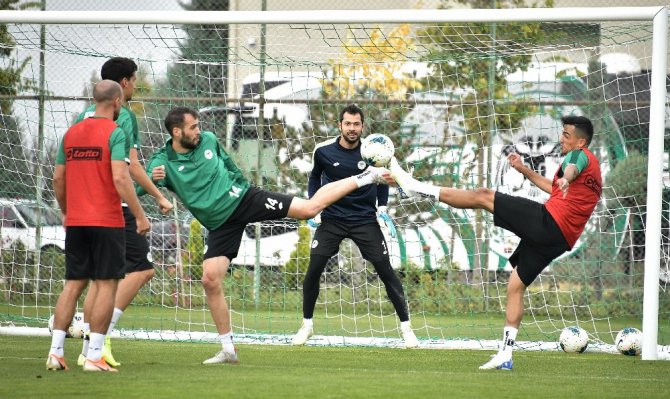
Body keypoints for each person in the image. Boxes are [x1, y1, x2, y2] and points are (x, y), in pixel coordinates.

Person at [142, 106, 391, 364]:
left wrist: (240, 184)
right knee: (210, 279)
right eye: (193, 127)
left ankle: (366, 176)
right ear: (176, 131)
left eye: (198, 125)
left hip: (245, 200)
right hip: (220, 224)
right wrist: (153, 182)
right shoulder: (162, 162)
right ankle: (228, 350)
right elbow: (137, 183)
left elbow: (227, 163)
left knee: (308, 208)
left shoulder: (208, 140)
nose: (199, 130)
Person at [387, 115, 601, 370]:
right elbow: (554, 187)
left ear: (581, 142)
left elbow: (571, 168)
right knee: (515, 285)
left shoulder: (580, 157)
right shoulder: (593, 170)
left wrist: (566, 177)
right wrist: (524, 169)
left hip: (550, 223)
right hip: (559, 239)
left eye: (566, 135)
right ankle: (506, 353)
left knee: (483, 196)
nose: (561, 139)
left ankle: (415, 187)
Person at [291, 104, 418, 348]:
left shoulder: (373, 151)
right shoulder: (323, 151)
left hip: (364, 220)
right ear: (340, 125)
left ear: (362, 126)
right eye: (347, 124)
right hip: (332, 219)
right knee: (314, 268)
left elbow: (381, 179)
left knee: (385, 271)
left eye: (356, 124)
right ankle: (306, 326)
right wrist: (314, 206)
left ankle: (406, 329)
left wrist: (381, 209)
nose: (352, 128)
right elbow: (314, 178)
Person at [46, 80, 151, 372]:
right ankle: (94, 355)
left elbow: (57, 179)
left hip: (76, 222)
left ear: (94, 101)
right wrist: (141, 215)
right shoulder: (115, 133)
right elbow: (120, 177)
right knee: (106, 284)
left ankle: (56, 353)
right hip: (106, 220)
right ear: (117, 102)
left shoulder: (71, 133)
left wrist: (67, 212)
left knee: (73, 285)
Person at [75, 57, 173, 368]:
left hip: (84, 205)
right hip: (113, 206)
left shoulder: (82, 116)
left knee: (98, 280)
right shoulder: (123, 115)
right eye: (133, 81)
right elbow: (128, 168)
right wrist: (157, 197)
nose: (134, 87)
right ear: (125, 83)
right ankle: (101, 342)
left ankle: (86, 349)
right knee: (142, 270)